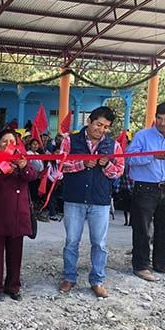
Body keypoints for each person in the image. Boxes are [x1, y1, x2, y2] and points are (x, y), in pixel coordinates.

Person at [57, 107, 124, 298]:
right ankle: (69, 277)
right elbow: (60, 165)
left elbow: (119, 171)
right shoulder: (70, 140)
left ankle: (97, 280)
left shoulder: (113, 146)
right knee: (71, 241)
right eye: (98, 124)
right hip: (74, 199)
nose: (101, 130)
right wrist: (81, 164)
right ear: (89, 121)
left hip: (100, 201)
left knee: (100, 243)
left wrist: (107, 165)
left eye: (105, 127)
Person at [126, 101, 165, 282]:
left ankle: (161, 262)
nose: (162, 122)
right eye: (159, 118)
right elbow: (129, 158)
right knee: (142, 228)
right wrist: (151, 156)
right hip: (144, 187)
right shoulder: (143, 136)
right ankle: (141, 266)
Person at [0, 130, 37, 301]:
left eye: (11, 141)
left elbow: (32, 176)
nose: (8, 144)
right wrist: (1, 170)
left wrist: (22, 167)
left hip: (18, 216)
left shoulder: (22, 159)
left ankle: (13, 286)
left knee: (15, 254)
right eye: (4, 141)